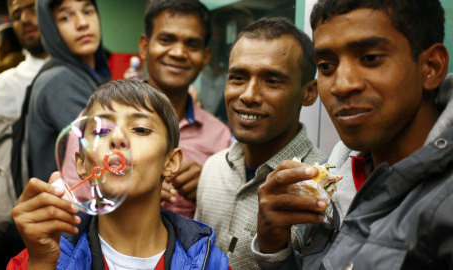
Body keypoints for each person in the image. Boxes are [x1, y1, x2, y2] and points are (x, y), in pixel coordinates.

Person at [253, 0, 453, 269]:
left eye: (370, 58)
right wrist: (273, 246)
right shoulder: (332, 183)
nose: (342, 84)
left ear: (431, 66)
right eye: (326, 66)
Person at [7, 79, 230, 270]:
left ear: (170, 162)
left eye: (140, 129)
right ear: (82, 164)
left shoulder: (210, 262)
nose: (117, 138)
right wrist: (43, 262)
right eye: (102, 131)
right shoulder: (37, 257)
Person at [194, 17, 326, 270]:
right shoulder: (213, 168)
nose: (248, 95)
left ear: (309, 92)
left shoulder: (320, 188)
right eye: (238, 77)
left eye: (272, 81)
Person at [138, 0, 231, 219]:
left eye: (192, 44)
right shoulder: (102, 120)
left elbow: (229, 221)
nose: (179, 52)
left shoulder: (220, 138)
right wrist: (126, 190)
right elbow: (74, 202)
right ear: (144, 46)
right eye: (166, 39)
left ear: (205, 57)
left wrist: (208, 189)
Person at [27, 0, 111, 182]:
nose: (82, 23)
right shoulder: (60, 80)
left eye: (88, 11)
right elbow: (104, 153)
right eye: (65, 17)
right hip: (68, 206)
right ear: (50, 28)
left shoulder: (88, 74)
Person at [0, 0, 48, 121]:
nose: (24, 19)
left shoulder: (80, 66)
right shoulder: (11, 82)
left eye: (33, 10)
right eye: (17, 16)